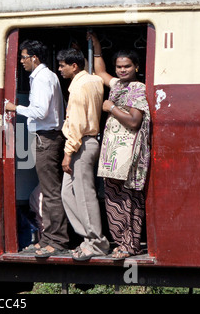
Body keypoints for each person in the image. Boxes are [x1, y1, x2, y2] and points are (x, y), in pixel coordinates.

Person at [88, 32, 151, 260]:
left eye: (127, 66)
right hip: (114, 154)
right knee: (115, 199)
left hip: (128, 154)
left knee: (128, 200)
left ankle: (130, 245)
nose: (122, 70)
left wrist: (111, 108)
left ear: (136, 67)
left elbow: (135, 121)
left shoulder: (136, 88)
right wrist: (95, 46)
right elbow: (101, 72)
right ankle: (121, 243)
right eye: (119, 66)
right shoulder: (117, 85)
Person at [5, 40, 69, 258]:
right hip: (49, 138)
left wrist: (15, 108)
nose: (21, 61)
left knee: (50, 192)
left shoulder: (42, 78)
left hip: (47, 139)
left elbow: (40, 112)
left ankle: (57, 240)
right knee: (49, 190)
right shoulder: (48, 76)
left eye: (23, 57)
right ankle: (49, 239)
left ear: (34, 58)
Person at [57, 48, 110, 261]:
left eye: (62, 65)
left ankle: (96, 242)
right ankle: (90, 237)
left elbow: (77, 124)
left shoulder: (78, 87)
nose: (60, 69)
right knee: (67, 194)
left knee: (85, 196)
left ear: (74, 66)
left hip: (80, 145)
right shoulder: (95, 80)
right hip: (87, 143)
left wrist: (68, 153)